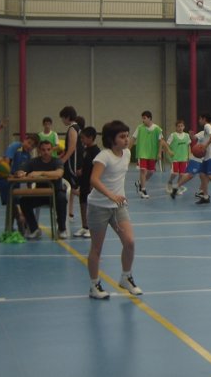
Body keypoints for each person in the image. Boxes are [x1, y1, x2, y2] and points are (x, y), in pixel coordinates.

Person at [87, 120, 142, 299]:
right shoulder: (104, 156)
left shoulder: (126, 154)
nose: (126, 140)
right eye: (122, 136)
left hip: (118, 207)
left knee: (130, 242)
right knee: (97, 248)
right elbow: (94, 180)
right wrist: (111, 195)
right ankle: (94, 285)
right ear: (112, 139)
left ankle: (126, 277)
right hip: (99, 207)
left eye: (127, 136)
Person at [14, 140, 68, 240]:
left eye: (48, 149)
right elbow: (20, 171)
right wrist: (20, 173)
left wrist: (40, 173)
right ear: (39, 150)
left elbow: (59, 173)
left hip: (55, 193)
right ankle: (34, 229)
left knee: (62, 198)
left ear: (52, 150)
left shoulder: (57, 161)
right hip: (40, 194)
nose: (46, 152)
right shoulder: (33, 161)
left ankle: (62, 229)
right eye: (43, 150)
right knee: (24, 201)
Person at [0, 133, 38, 226]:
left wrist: (29, 188)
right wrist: (13, 174)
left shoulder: (28, 155)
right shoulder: (15, 146)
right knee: (12, 203)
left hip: (16, 182)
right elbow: (7, 163)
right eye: (29, 142)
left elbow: (27, 172)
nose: (29, 146)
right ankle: (20, 221)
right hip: (5, 179)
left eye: (32, 146)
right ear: (24, 140)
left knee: (14, 203)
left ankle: (12, 227)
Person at [129, 110, 170, 199]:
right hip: (142, 153)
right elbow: (133, 139)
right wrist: (127, 150)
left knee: (151, 172)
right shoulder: (139, 128)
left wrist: (159, 153)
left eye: (144, 118)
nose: (143, 120)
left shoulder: (158, 129)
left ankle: (140, 183)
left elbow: (161, 142)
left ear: (150, 118)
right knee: (143, 170)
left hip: (152, 154)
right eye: (142, 118)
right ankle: (143, 189)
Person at [73, 126, 100, 238]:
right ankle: (85, 226)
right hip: (83, 182)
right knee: (83, 204)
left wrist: (93, 184)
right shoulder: (85, 150)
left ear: (91, 138)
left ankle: (92, 228)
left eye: (83, 138)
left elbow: (96, 168)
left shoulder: (96, 151)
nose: (82, 140)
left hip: (91, 183)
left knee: (91, 206)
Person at [59, 106, 84, 220]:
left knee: (72, 187)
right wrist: (62, 155)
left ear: (67, 117)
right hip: (72, 160)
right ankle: (70, 212)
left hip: (72, 162)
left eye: (63, 118)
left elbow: (72, 147)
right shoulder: (75, 127)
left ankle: (90, 199)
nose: (62, 121)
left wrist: (64, 159)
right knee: (70, 186)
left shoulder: (73, 128)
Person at [171, 130, 204, 199]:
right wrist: (192, 135)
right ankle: (176, 186)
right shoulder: (203, 133)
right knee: (190, 175)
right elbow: (194, 138)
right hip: (197, 158)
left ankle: (202, 191)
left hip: (206, 158)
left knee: (204, 175)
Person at [166, 120, 190, 193]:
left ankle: (177, 187)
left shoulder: (187, 135)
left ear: (184, 127)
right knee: (174, 173)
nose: (180, 128)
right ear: (176, 127)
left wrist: (189, 155)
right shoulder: (173, 135)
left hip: (184, 158)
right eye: (178, 126)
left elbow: (188, 146)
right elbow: (166, 144)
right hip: (175, 158)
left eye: (181, 126)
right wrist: (169, 151)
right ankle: (169, 182)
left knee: (182, 174)